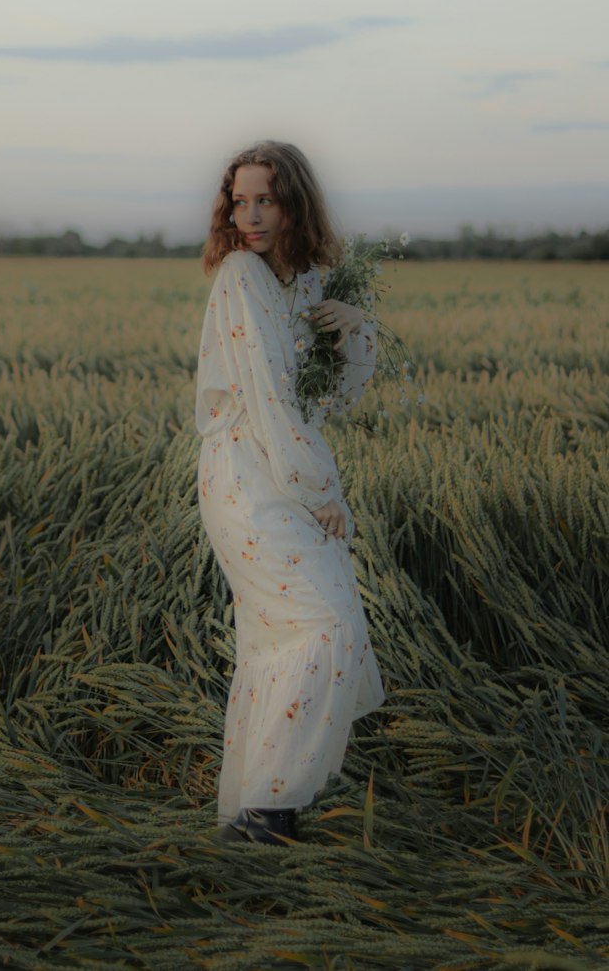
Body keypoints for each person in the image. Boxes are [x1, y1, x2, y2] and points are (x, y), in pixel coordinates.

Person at [195, 140, 384, 846]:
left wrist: (355, 331)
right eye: (238, 200)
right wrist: (320, 491)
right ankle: (268, 810)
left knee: (284, 635)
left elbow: (330, 399)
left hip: (280, 466)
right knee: (324, 624)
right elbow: (273, 401)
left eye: (264, 199)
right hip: (249, 477)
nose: (248, 215)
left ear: (294, 203)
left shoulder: (300, 284)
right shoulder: (242, 275)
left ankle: (260, 816)